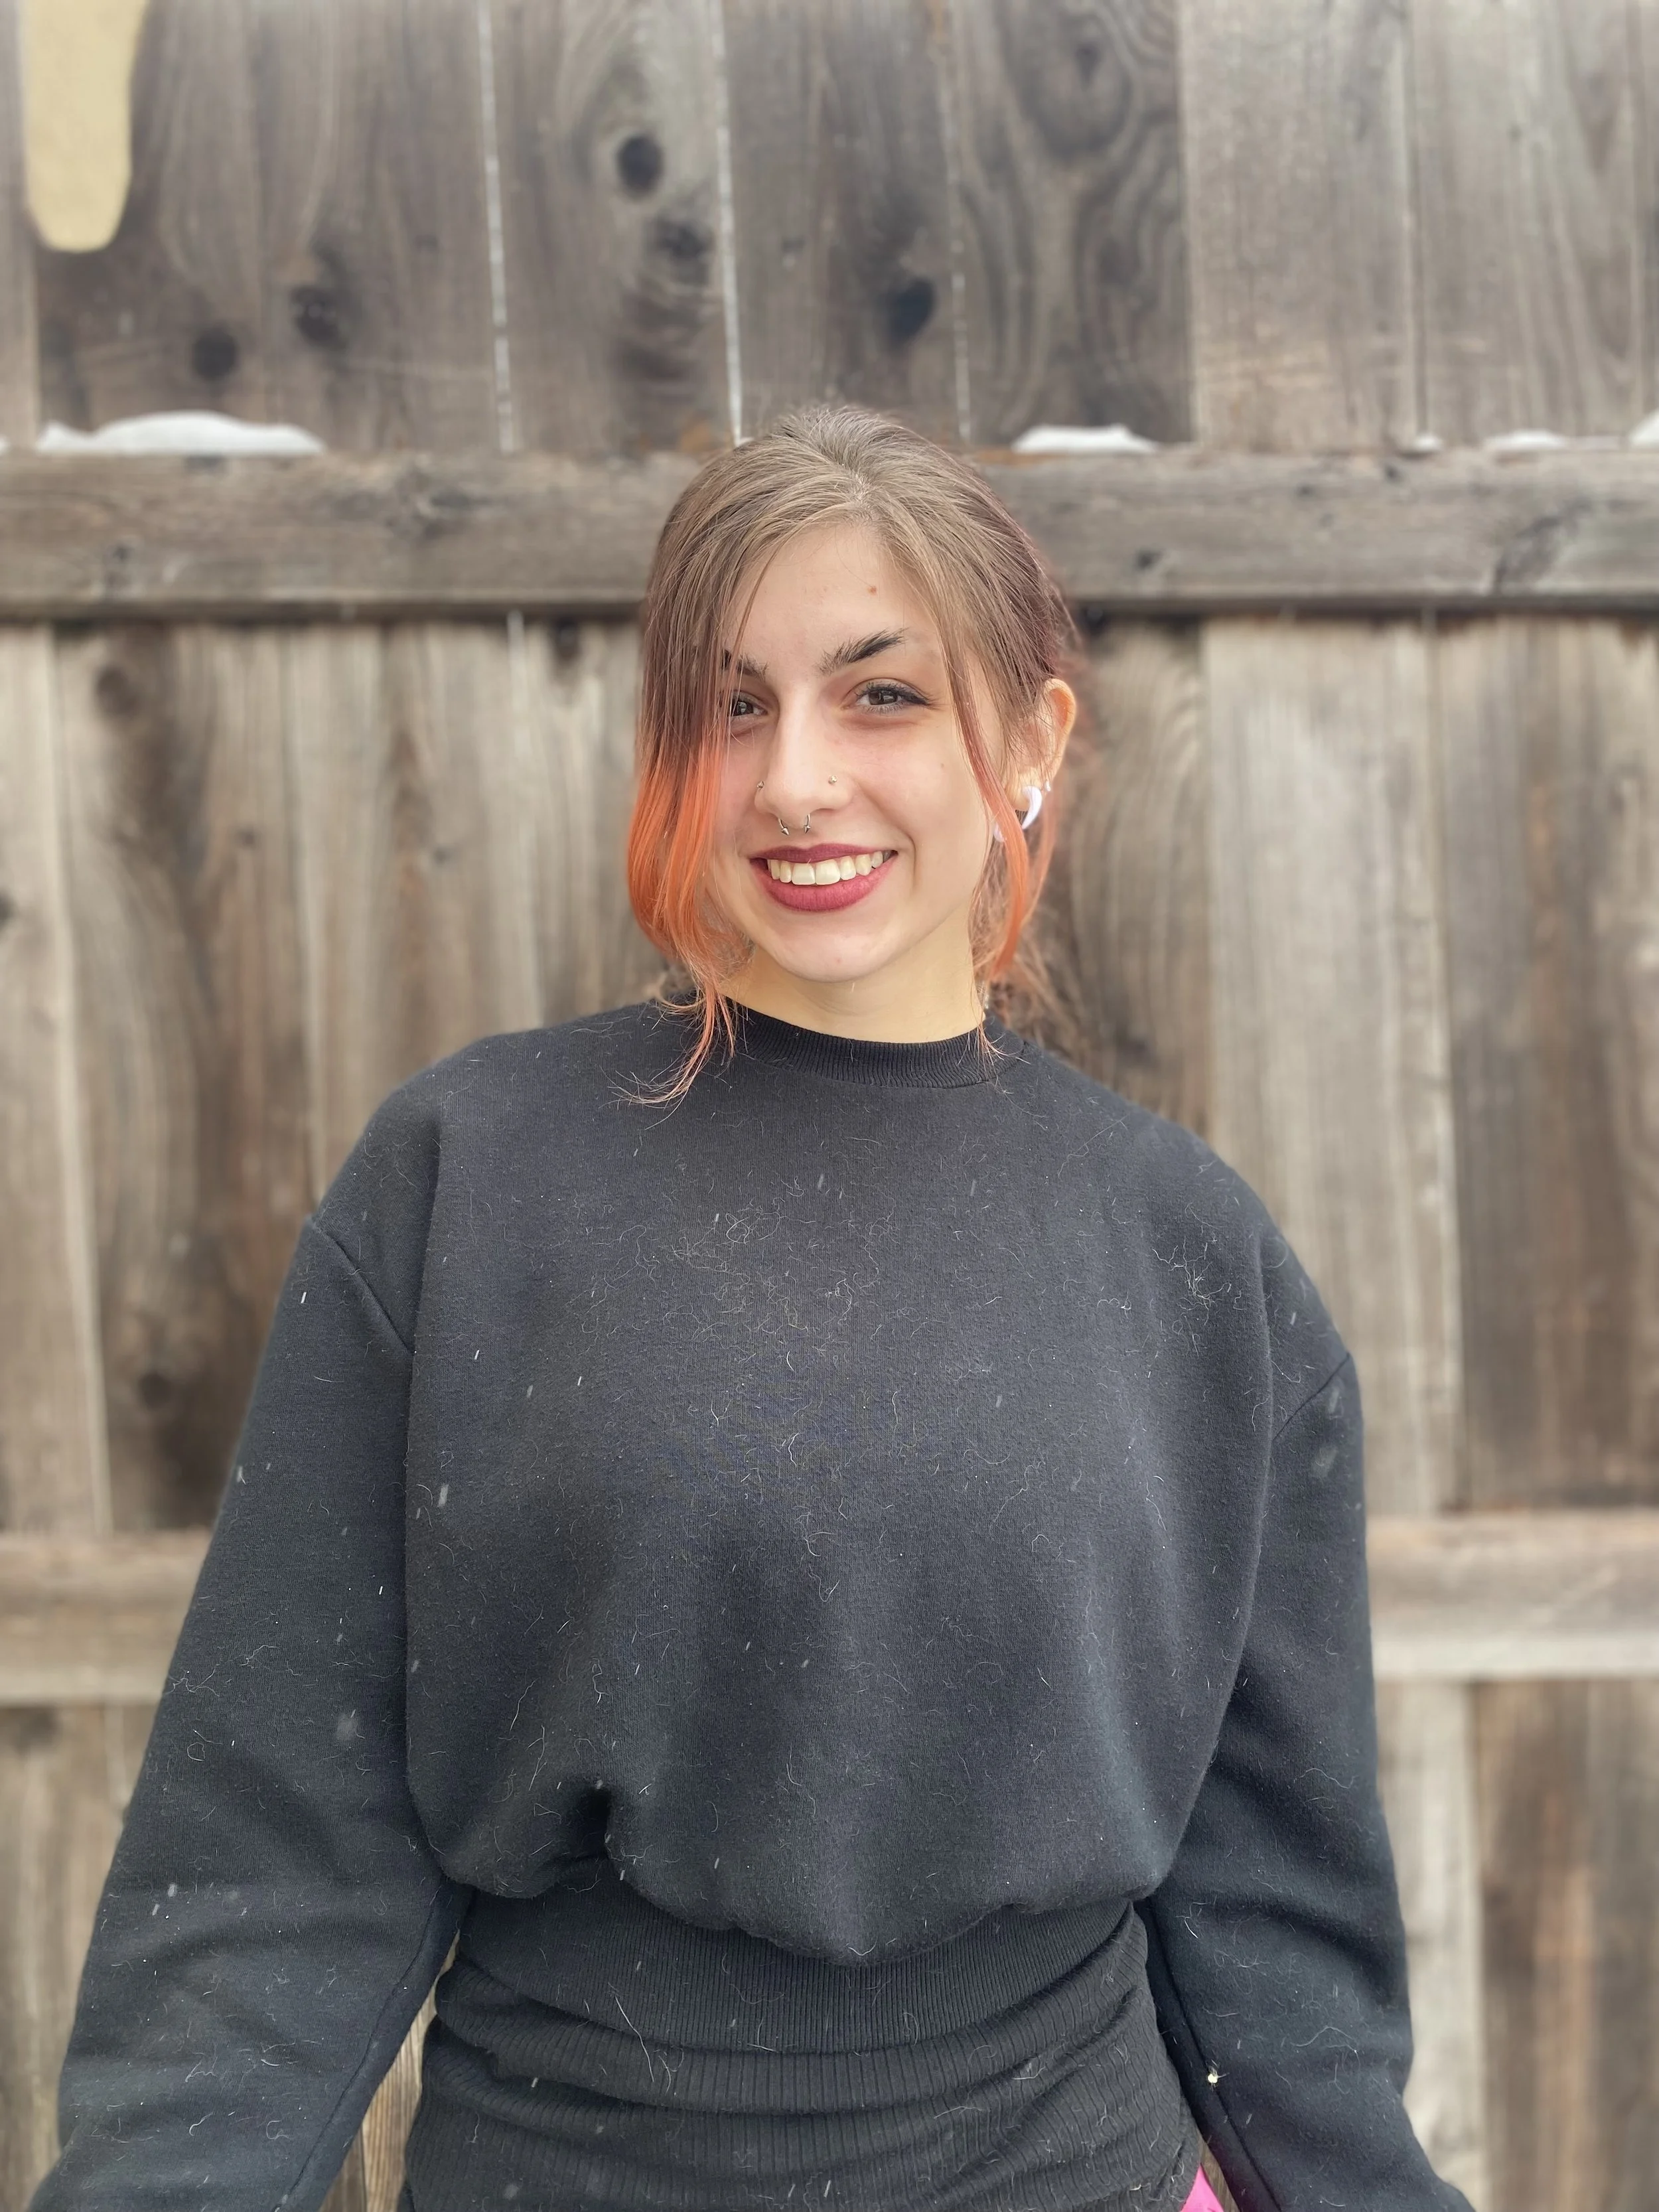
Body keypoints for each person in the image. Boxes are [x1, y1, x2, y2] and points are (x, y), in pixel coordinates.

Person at [31, 404, 1471, 2212]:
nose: (794, 779)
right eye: (729, 706)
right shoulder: (471, 1180)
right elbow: (272, 1862)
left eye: (882, 695)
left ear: (1030, 741)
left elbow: (1279, 1948)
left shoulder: (1195, 1260)